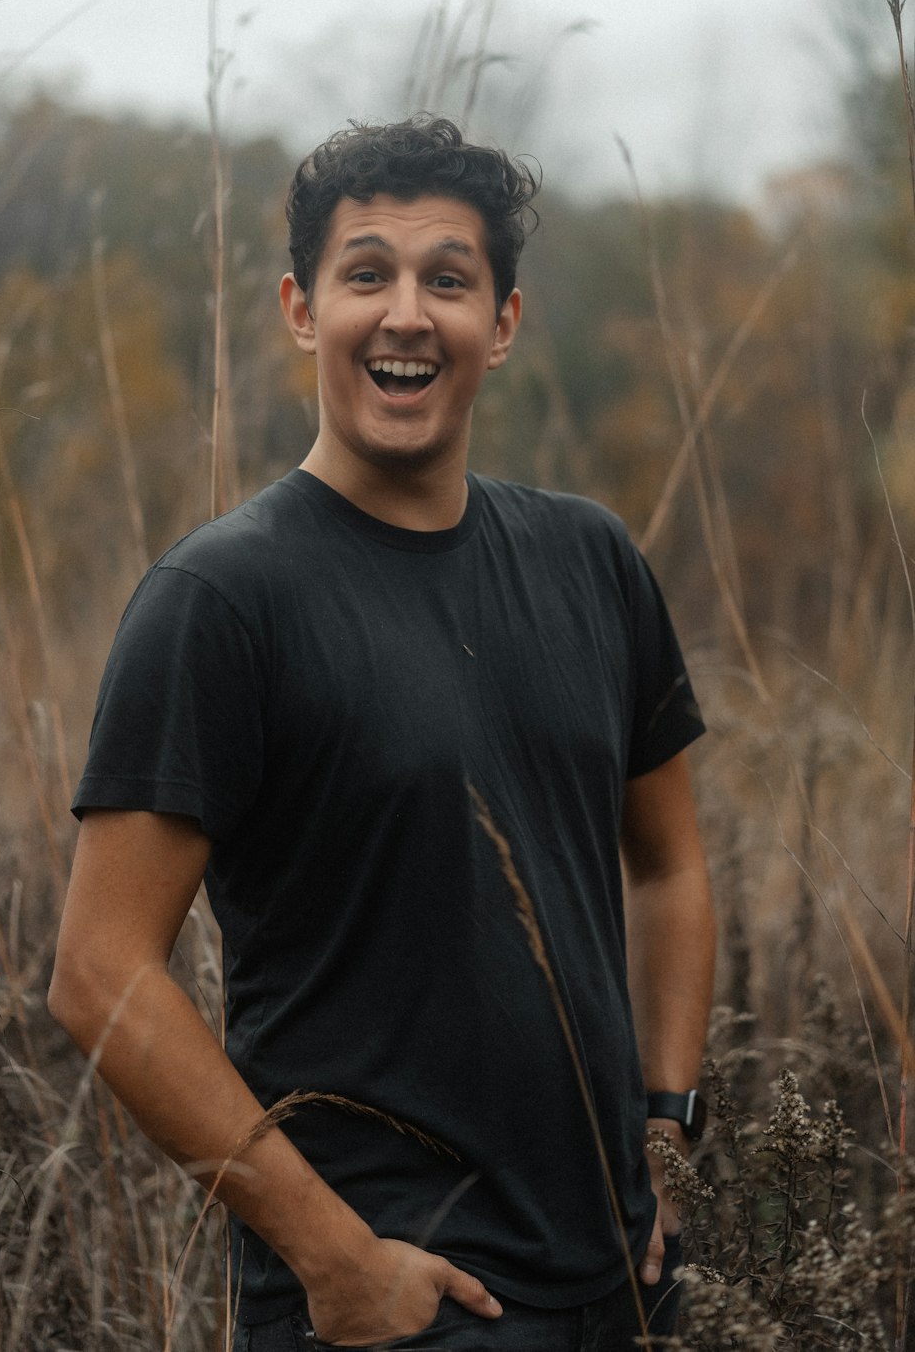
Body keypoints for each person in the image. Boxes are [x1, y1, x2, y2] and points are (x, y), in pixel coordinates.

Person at [49, 115, 715, 1352]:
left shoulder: (591, 560)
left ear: (501, 325)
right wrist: (334, 1257)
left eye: (447, 281)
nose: (406, 314)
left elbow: (670, 863)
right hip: (397, 1305)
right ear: (304, 310)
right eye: (368, 274)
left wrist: (666, 1128)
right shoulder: (220, 600)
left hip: (618, 1284)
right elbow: (99, 971)